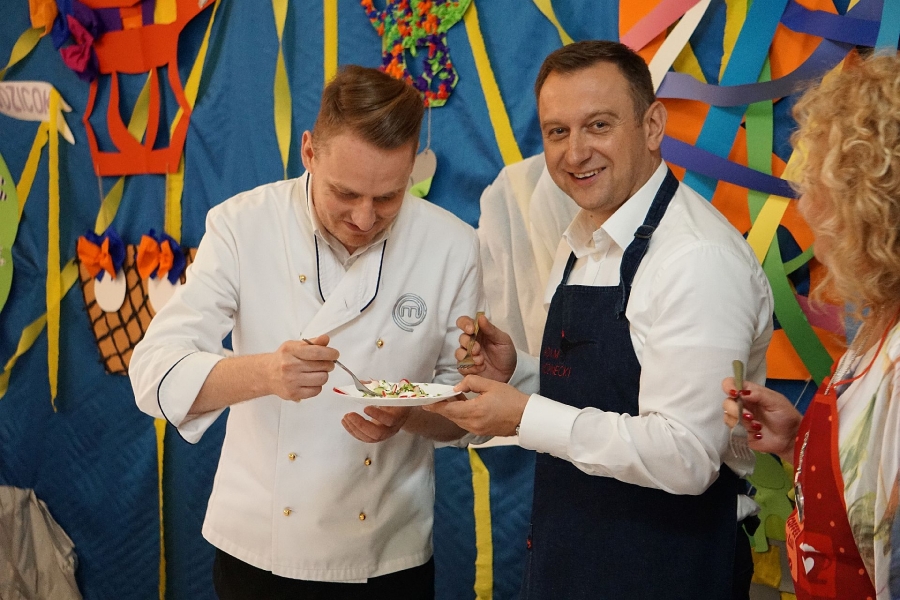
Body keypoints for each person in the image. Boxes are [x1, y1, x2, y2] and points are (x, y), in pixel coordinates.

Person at [424, 40, 774, 599]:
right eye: (557, 132)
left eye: (599, 126)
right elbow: (609, 391)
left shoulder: (696, 259)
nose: (575, 152)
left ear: (653, 125)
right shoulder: (586, 237)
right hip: (571, 557)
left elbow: (687, 456)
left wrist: (524, 415)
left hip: (666, 571)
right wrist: (518, 374)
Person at [129, 65, 485, 600]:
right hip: (259, 551)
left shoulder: (453, 246)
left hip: (388, 550)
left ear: (413, 166)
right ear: (309, 151)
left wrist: (410, 415)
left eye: (388, 198)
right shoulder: (242, 225)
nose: (364, 218)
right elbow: (153, 372)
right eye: (345, 193)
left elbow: (468, 408)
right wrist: (265, 373)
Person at [722, 51, 900, 600]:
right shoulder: (881, 321)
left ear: (867, 204)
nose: (806, 209)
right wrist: (801, 444)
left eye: (817, 187)